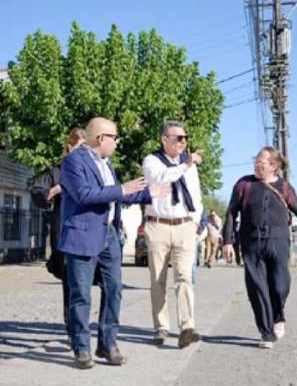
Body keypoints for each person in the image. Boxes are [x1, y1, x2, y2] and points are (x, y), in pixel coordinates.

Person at [58, 117, 169, 369]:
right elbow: (84, 194)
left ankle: (107, 344)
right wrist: (122, 189)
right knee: (81, 294)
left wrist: (149, 193)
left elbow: (118, 196)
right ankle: (81, 348)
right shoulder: (73, 161)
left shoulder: (107, 164)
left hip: (109, 235)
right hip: (82, 235)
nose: (117, 143)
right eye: (115, 137)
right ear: (101, 138)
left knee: (114, 289)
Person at [222, 146, 297, 349]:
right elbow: (231, 212)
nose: (257, 164)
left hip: (278, 241)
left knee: (280, 285)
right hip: (251, 242)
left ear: (273, 166)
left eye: (261, 162)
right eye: (256, 161)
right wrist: (227, 241)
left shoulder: (284, 187)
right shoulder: (244, 184)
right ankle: (267, 333)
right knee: (257, 288)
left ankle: (278, 315)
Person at [142, 120, 204, 348]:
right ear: (164, 139)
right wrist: (186, 164)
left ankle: (187, 327)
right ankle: (161, 327)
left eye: (185, 138)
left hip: (184, 226)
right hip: (158, 225)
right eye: (178, 138)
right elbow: (163, 178)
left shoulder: (189, 166)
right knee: (158, 279)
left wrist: (195, 222)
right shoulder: (152, 161)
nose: (183, 142)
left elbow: (195, 195)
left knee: (184, 277)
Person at [30, 128, 86, 336]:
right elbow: (38, 191)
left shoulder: (92, 170)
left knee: (90, 282)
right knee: (70, 281)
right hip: (65, 232)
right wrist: (53, 191)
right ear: (70, 147)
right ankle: (73, 326)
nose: (83, 152)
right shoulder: (57, 172)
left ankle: (87, 327)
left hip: (89, 233)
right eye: (79, 147)